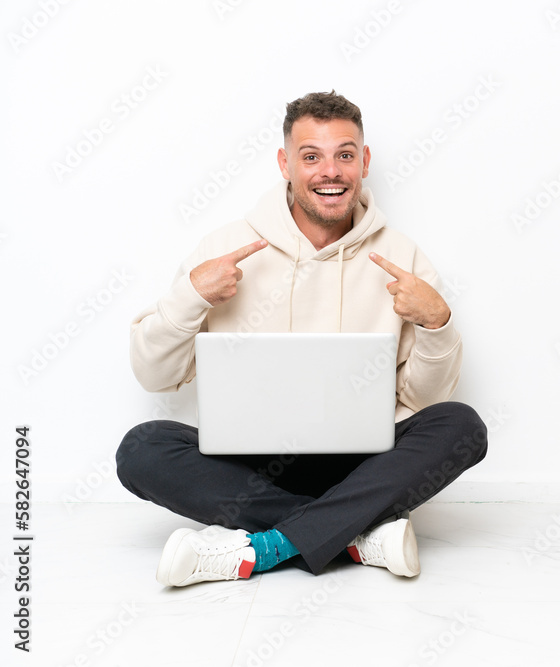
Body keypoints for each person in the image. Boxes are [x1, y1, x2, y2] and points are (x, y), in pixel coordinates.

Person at [116, 89, 487, 587]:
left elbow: (425, 399)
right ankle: (355, 535)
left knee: (461, 426)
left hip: (360, 463)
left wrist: (436, 323)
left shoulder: (400, 256)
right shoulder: (225, 248)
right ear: (284, 164)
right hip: (249, 464)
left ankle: (266, 546)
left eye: (345, 155)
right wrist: (191, 298)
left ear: (365, 162)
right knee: (142, 448)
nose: (329, 171)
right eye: (311, 156)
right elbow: (154, 376)